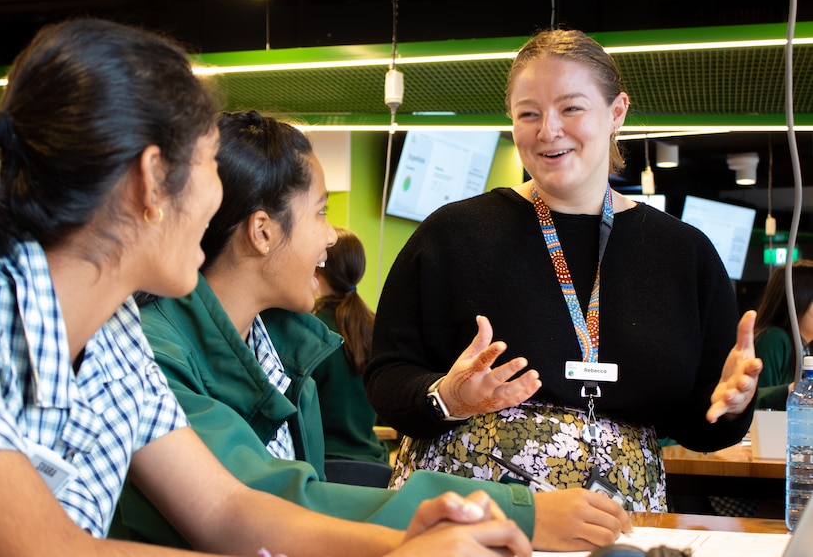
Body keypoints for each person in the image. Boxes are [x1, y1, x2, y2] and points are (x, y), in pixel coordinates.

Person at [0, 19, 532, 557]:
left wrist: (398, 543)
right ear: (153, 180)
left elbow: (224, 507)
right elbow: (48, 548)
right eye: (209, 164)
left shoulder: (114, 334)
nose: (216, 202)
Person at [116, 110, 631, 553]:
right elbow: (262, 504)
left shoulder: (282, 349)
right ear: (263, 231)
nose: (331, 233)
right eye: (320, 211)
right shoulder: (153, 353)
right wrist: (516, 514)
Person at [364, 27, 762, 514]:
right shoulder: (451, 234)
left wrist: (732, 404)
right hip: (470, 509)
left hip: (620, 515)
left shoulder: (684, 254)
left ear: (617, 113)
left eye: (571, 108)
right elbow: (386, 378)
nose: (548, 130)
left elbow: (703, 424)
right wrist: (449, 397)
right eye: (528, 113)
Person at [312, 226, 389, 465]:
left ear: (318, 263)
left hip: (322, 467)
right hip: (376, 466)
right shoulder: (377, 326)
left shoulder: (309, 330)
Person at [753, 260, 813, 409]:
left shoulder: (807, 347)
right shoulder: (774, 339)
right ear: (797, 301)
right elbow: (751, 400)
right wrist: (793, 390)